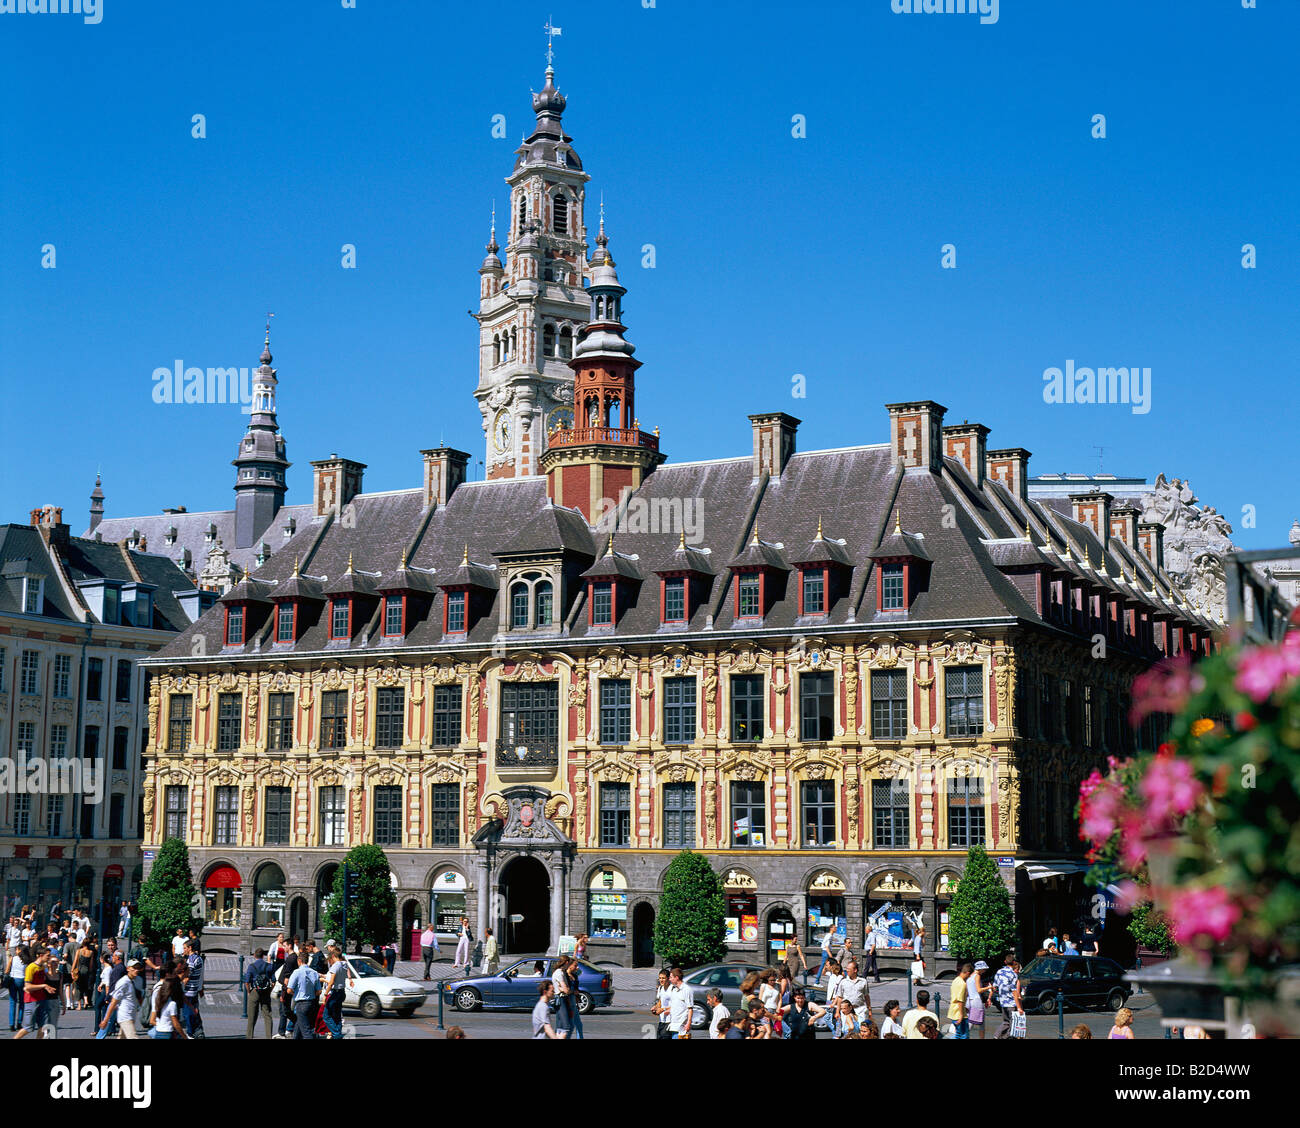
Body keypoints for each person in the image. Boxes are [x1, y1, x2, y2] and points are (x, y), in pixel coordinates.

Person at [14, 947, 56, 1039]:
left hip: (41, 999)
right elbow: (27, 987)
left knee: (43, 1026)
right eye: (47, 956)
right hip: (31, 1001)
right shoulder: (31, 967)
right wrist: (44, 986)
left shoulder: (42, 967)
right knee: (28, 1028)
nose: (49, 958)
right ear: (41, 956)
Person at [100, 960, 142, 1039]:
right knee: (133, 1037)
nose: (136, 970)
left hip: (132, 1015)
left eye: (138, 968)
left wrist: (141, 1009)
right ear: (128, 969)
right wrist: (105, 1020)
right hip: (124, 1017)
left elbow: (139, 996)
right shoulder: (123, 982)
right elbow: (113, 1002)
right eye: (134, 968)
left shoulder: (139, 980)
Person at [287, 955, 321, 1040]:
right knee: (299, 1027)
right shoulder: (314, 972)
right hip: (312, 1003)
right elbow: (318, 991)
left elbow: (289, 990)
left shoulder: (297, 972)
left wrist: (296, 993)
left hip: (301, 1003)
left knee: (306, 1032)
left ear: (299, 961)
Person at [321, 948, 352, 1038]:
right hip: (342, 992)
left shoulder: (336, 966)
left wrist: (325, 994)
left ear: (333, 956)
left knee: (326, 1016)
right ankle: (337, 1033)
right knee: (337, 1016)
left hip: (335, 992)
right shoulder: (344, 964)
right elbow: (345, 974)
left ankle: (337, 1034)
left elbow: (331, 982)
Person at [244, 947, 275, 1038]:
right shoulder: (269, 966)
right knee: (267, 1015)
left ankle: (249, 1036)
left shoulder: (251, 966)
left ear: (254, 956)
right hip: (265, 991)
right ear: (263, 956)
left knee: (251, 1017)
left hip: (255, 991)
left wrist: (249, 991)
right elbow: (274, 980)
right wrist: (270, 990)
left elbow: (247, 982)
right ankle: (269, 1036)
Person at [993, 955, 1024, 1039]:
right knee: (1013, 1024)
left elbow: (994, 986)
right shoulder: (1013, 975)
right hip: (1011, 1003)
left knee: (1005, 1022)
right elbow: (1015, 992)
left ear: (1005, 962)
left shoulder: (999, 972)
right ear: (1014, 962)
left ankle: (996, 1036)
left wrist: (989, 998)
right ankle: (1006, 1037)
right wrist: (1019, 1007)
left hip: (1002, 1002)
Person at [838, 959, 871, 1025]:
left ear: (855, 970)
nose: (847, 970)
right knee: (848, 1030)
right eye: (846, 969)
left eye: (849, 969)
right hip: (847, 1011)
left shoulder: (863, 981)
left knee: (861, 1029)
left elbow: (866, 996)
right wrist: (837, 1011)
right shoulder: (843, 982)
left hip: (860, 1009)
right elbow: (840, 997)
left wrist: (869, 1009)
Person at [274, 951, 298, 1039]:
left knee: (285, 1011)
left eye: (285, 945)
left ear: (289, 946)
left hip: (286, 990)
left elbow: (286, 980)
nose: (284, 948)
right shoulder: (293, 958)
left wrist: (282, 995)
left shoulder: (290, 959)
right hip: (287, 989)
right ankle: (282, 1031)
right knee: (285, 1011)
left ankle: (282, 1032)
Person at [666, 966, 694, 1039]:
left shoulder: (687, 990)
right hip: (673, 1025)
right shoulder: (674, 989)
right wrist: (668, 1010)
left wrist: (688, 1023)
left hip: (682, 1027)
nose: (669, 979)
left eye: (671, 977)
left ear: (677, 977)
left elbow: (690, 1008)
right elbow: (675, 1005)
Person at [948, 961, 973, 1039]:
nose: (969, 977)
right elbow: (960, 1000)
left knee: (958, 1034)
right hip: (958, 1013)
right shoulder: (962, 984)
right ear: (968, 973)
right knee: (963, 1035)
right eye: (970, 976)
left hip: (953, 1011)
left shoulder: (956, 980)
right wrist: (961, 1014)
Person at [6, 943, 26, 1030]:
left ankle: (11, 1024)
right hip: (22, 980)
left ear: (19, 950)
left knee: (12, 1002)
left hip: (13, 980)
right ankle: (19, 1023)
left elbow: (7, 970)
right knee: (22, 1002)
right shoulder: (27, 960)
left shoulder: (12, 958)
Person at [969, 960, 989, 1039]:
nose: (984, 971)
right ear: (980, 968)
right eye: (984, 969)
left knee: (971, 1021)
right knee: (980, 1023)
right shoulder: (977, 976)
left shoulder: (970, 976)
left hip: (970, 1000)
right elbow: (979, 990)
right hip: (976, 1001)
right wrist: (988, 987)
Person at [651, 968, 673, 1040]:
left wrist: (663, 1009)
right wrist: (655, 1008)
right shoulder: (660, 988)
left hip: (670, 1020)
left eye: (663, 978)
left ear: (668, 978)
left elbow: (676, 1005)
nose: (661, 980)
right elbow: (660, 1002)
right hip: (662, 1020)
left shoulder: (673, 989)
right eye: (660, 978)